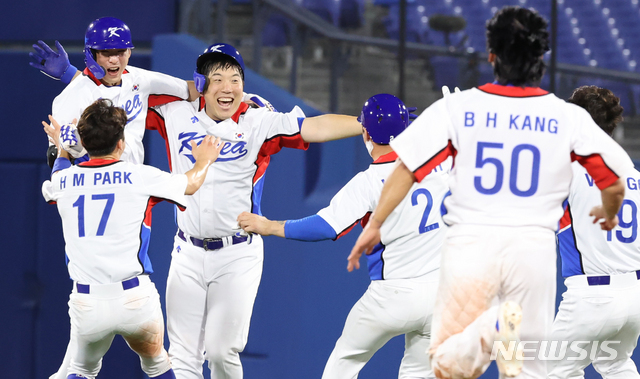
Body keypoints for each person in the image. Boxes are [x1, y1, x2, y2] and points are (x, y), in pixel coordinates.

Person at [349, 6, 634, 379]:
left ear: (491, 56)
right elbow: (614, 181)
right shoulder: (568, 117)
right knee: (528, 371)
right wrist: (610, 210)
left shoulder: (458, 107)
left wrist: (377, 223)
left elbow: (406, 167)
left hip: (473, 252)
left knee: (450, 367)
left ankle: (487, 334)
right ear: (540, 61)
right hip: (531, 259)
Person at [145, 43, 363, 379]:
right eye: (217, 78)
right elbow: (125, 98)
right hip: (186, 250)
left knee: (220, 352)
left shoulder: (257, 121)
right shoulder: (174, 113)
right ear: (200, 84)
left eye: (235, 78)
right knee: (184, 357)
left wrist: (365, 124)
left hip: (236, 253)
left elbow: (314, 128)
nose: (227, 87)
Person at [237, 93, 448, 379]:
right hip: (440, 294)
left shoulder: (370, 182)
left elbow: (325, 226)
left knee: (343, 363)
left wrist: (271, 226)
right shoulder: (441, 163)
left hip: (392, 296)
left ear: (365, 133)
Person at [41, 98, 224, 379]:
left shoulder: (61, 182)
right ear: (121, 144)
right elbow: (190, 184)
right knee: (157, 364)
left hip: (87, 302)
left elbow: (60, 172)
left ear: (86, 144)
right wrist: (205, 160)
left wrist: (63, 149)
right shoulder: (138, 176)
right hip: (135, 300)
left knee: (79, 370)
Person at [550, 86, 640, 378]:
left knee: (552, 368)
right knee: (615, 364)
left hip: (592, 295)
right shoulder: (635, 176)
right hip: (634, 293)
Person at [30, 16, 201, 168]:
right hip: (94, 184)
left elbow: (188, 90)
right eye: (106, 53)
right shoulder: (74, 95)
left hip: (132, 181)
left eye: (120, 52)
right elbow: (55, 157)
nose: (114, 59)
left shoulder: (140, 79)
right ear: (92, 54)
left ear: (129, 52)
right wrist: (77, 151)